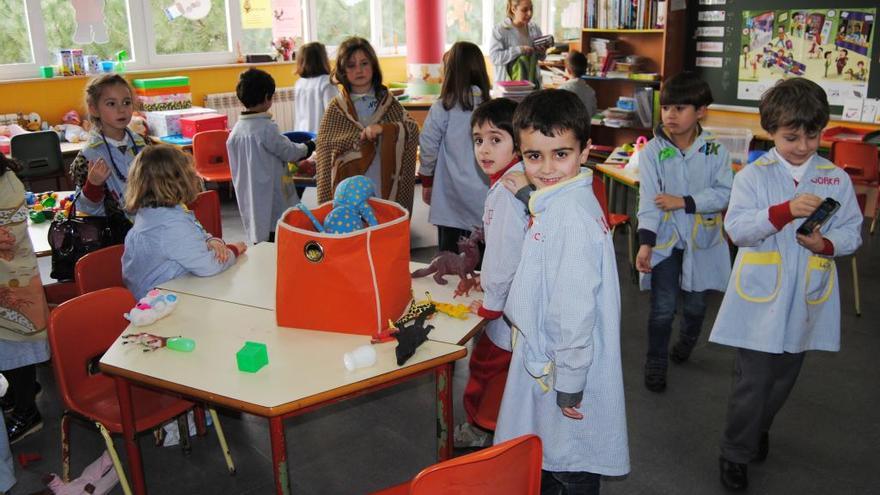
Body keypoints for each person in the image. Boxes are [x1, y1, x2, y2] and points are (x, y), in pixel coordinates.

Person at [710, 78, 862, 491]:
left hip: (806, 300)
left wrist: (825, 243)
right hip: (759, 299)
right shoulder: (754, 176)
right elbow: (738, 229)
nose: (803, 145)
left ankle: (758, 426)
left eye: (812, 135)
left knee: (781, 381)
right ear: (771, 131)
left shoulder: (835, 179)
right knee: (752, 383)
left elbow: (853, 232)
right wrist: (783, 212)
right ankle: (734, 451)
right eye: (791, 137)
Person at [493, 89, 629, 494]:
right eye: (534, 156)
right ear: (521, 154)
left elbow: (572, 311)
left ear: (585, 150)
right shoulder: (568, 196)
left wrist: (570, 378)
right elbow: (546, 201)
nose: (547, 168)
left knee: (568, 461)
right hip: (559, 356)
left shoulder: (570, 219)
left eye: (561, 154)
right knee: (554, 456)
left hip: (565, 364)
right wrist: (525, 192)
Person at [635, 72, 733, 392]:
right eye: (666, 108)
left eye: (680, 108)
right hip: (665, 241)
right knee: (662, 307)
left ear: (701, 111)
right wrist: (646, 243)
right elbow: (648, 200)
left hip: (701, 240)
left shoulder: (715, 151)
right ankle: (656, 361)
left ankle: (687, 342)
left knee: (695, 306)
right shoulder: (652, 151)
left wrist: (685, 202)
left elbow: (724, 193)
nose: (670, 115)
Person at [452, 98, 522, 448]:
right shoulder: (508, 181)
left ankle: (481, 429)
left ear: (518, 142)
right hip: (507, 295)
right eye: (478, 139)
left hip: (505, 308)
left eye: (496, 139)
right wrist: (484, 274)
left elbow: (507, 251)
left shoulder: (507, 192)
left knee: (487, 369)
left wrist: (490, 302)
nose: (484, 148)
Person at [122, 145, 247, 300]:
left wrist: (210, 240)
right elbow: (209, 266)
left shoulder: (151, 212)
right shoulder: (170, 224)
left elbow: (194, 231)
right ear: (180, 182)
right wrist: (233, 250)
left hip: (165, 291)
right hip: (162, 301)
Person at [315, 37, 420, 212]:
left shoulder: (387, 102)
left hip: (381, 179)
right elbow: (325, 147)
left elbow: (411, 129)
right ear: (342, 70)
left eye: (364, 63)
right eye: (351, 65)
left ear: (373, 66)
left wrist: (384, 130)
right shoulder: (336, 107)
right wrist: (356, 142)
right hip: (349, 185)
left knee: (379, 225)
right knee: (354, 230)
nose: (359, 70)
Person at [419, 41, 492, 253]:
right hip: (483, 195)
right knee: (481, 257)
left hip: (450, 196)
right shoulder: (489, 106)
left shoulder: (444, 107)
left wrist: (426, 180)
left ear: (450, 72)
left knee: (451, 261)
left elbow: (428, 145)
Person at [227, 68, 314, 244]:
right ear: (268, 97)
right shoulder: (266, 128)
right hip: (271, 192)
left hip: (248, 191)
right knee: (278, 228)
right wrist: (310, 145)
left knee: (258, 226)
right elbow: (290, 152)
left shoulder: (235, 132)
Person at [0, 154, 50, 446]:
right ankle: (22, 391)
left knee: (13, 347)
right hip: (12, 280)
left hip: (11, 280)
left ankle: (27, 410)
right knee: (11, 349)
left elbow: (7, 236)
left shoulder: (6, 183)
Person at [69, 74, 146, 233]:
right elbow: (87, 210)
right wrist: (93, 185)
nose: (121, 109)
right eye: (111, 103)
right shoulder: (88, 157)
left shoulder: (145, 146)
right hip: (118, 236)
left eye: (126, 102)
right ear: (94, 109)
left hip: (152, 227)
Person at [489, 0, 547, 87]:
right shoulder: (500, 30)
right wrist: (519, 50)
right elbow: (495, 58)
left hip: (532, 85)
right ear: (513, 9)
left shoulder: (535, 28)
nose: (530, 13)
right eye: (524, 10)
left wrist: (542, 51)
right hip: (508, 88)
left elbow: (542, 58)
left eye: (531, 8)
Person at [293, 42, 339, 134]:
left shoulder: (299, 83)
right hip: (322, 137)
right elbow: (334, 115)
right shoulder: (327, 83)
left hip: (302, 134)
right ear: (323, 59)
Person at [558, 50, 598, 119]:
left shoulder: (562, 90)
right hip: (585, 128)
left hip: (568, 128)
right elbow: (593, 112)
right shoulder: (590, 90)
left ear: (568, 70)